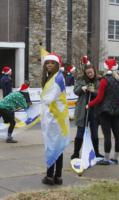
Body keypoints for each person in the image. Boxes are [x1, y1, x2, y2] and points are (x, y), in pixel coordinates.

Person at [86, 58, 119, 165]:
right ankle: (116, 158)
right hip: (116, 110)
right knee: (117, 134)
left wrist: (89, 104)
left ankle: (107, 159)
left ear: (105, 68)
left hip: (105, 111)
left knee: (107, 135)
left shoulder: (104, 81)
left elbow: (99, 98)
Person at [40, 53, 70, 185]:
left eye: (52, 63)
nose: (49, 65)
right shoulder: (54, 78)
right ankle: (57, 176)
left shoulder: (57, 79)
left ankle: (50, 176)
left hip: (55, 118)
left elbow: (49, 98)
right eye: (47, 63)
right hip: (54, 116)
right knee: (57, 147)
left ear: (57, 65)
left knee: (52, 147)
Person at [71, 64, 103, 159]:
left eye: (91, 72)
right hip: (82, 109)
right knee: (80, 132)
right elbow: (75, 91)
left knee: (94, 132)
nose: (90, 74)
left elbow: (100, 93)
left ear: (94, 71)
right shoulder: (80, 79)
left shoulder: (99, 80)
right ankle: (76, 153)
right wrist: (82, 88)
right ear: (85, 73)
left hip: (94, 110)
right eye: (88, 73)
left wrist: (92, 90)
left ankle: (96, 152)